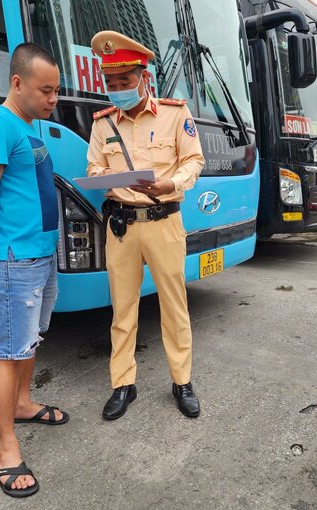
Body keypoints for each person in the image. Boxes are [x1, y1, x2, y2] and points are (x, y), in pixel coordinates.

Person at [0, 43, 67, 498]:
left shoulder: (27, 127)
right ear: (17, 82)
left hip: (42, 255)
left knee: (29, 340)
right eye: (46, 90)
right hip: (14, 260)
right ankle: (7, 448)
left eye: (56, 90)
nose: (53, 99)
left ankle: (24, 404)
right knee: (9, 350)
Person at [86, 31, 206, 420]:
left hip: (164, 221)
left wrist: (171, 183)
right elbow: (94, 167)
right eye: (111, 83)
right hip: (121, 226)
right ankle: (123, 383)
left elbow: (194, 161)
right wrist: (104, 178)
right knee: (123, 310)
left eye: (125, 81)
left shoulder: (174, 113)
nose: (117, 89)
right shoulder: (103, 123)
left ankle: (182, 380)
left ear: (144, 78)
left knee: (174, 306)